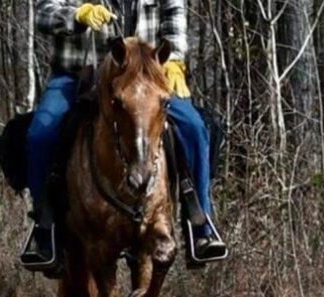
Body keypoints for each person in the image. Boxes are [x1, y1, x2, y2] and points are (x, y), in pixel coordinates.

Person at [21, 0, 227, 269]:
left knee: (194, 129)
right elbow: (45, 13)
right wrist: (77, 16)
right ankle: (44, 230)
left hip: (146, 77)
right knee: (40, 135)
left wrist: (174, 60)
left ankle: (200, 226)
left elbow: (174, 14)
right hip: (80, 72)